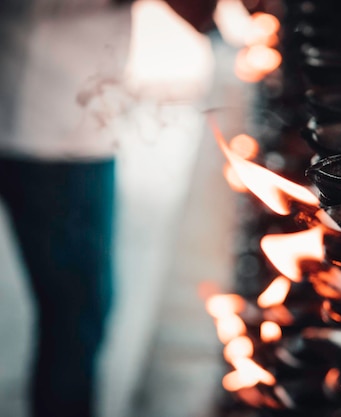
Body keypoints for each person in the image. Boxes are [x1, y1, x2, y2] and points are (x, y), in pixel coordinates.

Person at [0, 0, 217, 416]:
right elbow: (199, 12)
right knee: (77, 314)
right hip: (54, 133)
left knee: (73, 311)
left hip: (42, 114)